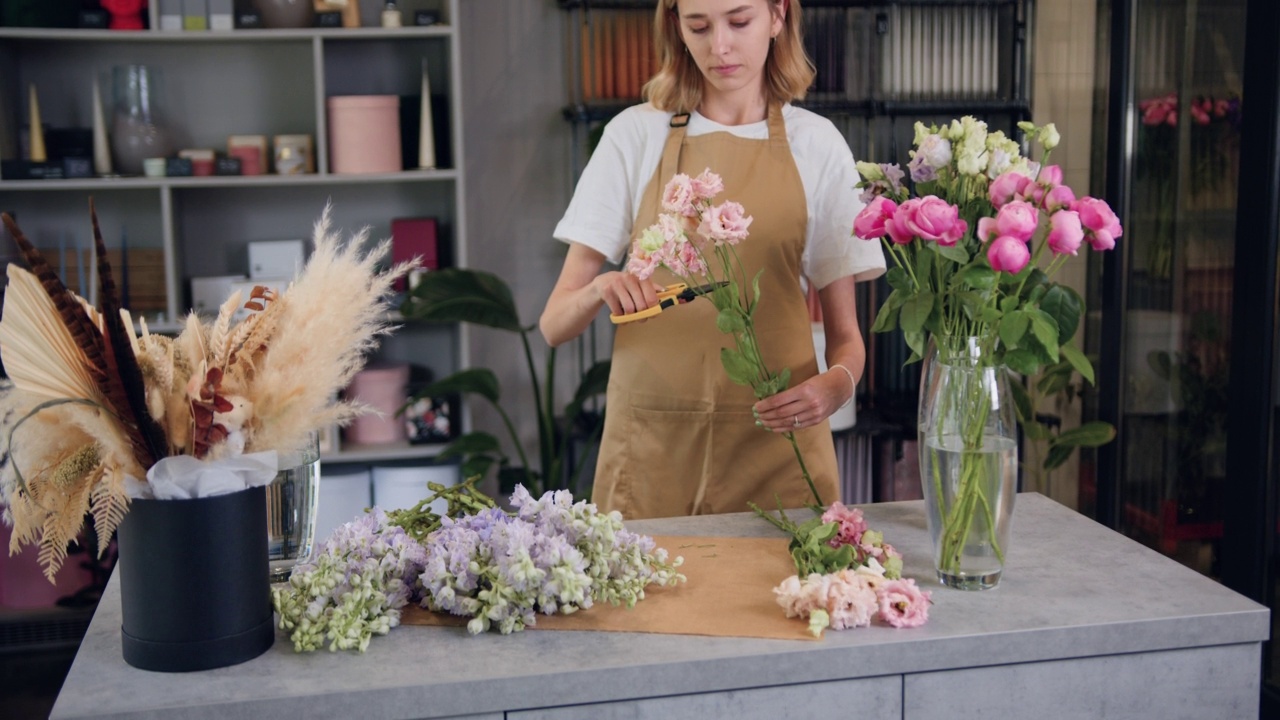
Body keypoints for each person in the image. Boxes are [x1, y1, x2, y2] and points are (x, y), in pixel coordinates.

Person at [539, 0, 885, 519]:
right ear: (676, 27)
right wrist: (597, 290)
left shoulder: (817, 146)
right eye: (698, 26)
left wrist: (837, 386)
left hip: (776, 445)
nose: (718, 46)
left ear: (778, 16)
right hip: (653, 448)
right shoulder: (635, 136)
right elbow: (553, 325)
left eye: (738, 22)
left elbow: (846, 339)